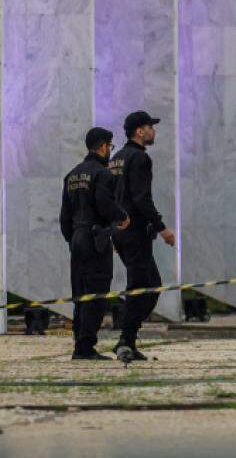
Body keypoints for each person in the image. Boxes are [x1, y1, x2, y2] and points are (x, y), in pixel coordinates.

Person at [59, 127, 130, 359]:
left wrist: (73, 239)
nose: (110, 150)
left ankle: (79, 343)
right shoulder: (103, 173)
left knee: (80, 294)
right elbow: (105, 204)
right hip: (96, 238)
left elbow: (64, 218)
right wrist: (121, 216)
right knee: (97, 293)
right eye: (110, 146)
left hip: (77, 237)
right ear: (102, 146)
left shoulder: (71, 175)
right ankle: (86, 347)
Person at [110, 111, 176, 362]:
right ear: (140, 131)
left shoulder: (116, 158)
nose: (153, 131)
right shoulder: (139, 158)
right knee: (141, 287)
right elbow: (141, 198)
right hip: (135, 232)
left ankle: (127, 339)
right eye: (150, 127)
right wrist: (162, 228)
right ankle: (125, 341)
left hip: (121, 232)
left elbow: (111, 197)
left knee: (149, 285)